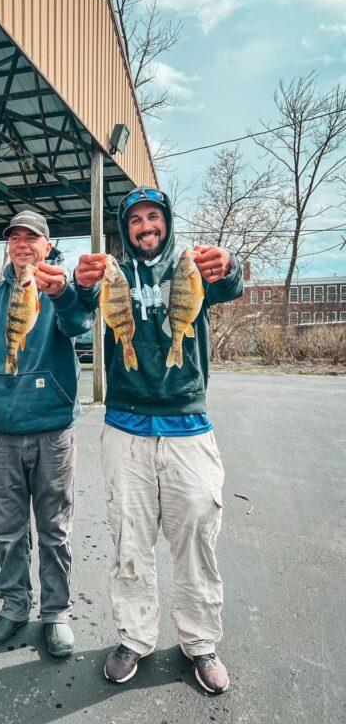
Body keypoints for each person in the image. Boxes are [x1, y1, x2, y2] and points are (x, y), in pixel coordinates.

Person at [74, 186, 243, 693]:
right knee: (130, 541)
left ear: (167, 222)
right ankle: (134, 637)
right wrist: (81, 284)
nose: (146, 227)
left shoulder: (190, 268)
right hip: (125, 427)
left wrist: (229, 264)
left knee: (196, 539)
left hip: (188, 426)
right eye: (135, 221)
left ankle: (201, 642)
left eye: (154, 218)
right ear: (125, 231)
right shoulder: (115, 275)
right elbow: (82, 307)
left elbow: (230, 284)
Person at [0, 210, 95, 657]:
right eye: (15, 237)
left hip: (52, 431)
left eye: (31, 237)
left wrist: (63, 294)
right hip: (0, 432)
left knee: (54, 529)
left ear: (47, 244)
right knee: (7, 530)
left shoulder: (60, 288)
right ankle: (15, 607)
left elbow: (82, 326)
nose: (22, 243)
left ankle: (56, 613)